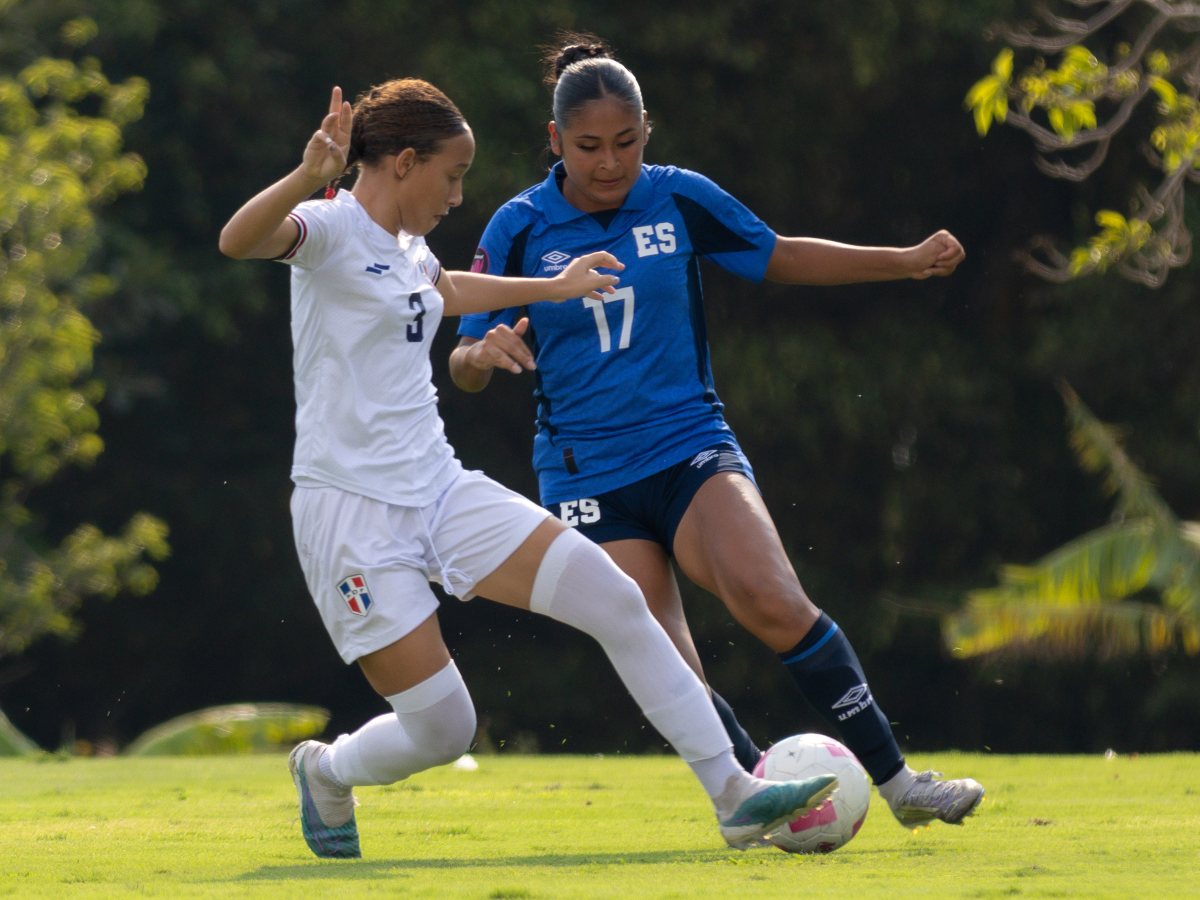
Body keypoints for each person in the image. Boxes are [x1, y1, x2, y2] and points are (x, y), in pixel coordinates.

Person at [218, 78, 838, 860]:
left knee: (617, 600)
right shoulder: (332, 228)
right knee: (445, 728)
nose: (458, 195)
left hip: (441, 490)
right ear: (404, 163)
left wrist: (555, 286)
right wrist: (310, 173)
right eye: (451, 176)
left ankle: (735, 795)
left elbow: (446, 292)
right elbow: (238, 242)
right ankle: (328, 771)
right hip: (351, 516)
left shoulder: (408, 249)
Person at [450, 34, 984, 830]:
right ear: (556, 140)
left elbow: (780, 255)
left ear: (647, 133)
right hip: (586, 474)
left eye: (626, 143)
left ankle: (901, 784)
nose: (609, 163)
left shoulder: (678, 197)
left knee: (771, 599)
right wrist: (480, 356)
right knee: (667, 660)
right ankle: (753, 799)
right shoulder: (521, 224)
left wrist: (902, 261)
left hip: (689, 445)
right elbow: (461, 350)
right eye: (590, 147)